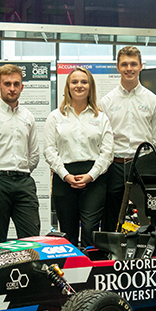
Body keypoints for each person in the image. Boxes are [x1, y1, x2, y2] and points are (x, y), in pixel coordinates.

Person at [44, 67, 113, 248]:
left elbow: (107, 152)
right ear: (68, 86)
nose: (79, 86)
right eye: (74, 82)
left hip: (94, 178)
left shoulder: (101, 118)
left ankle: (92, 271)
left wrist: (91, 175)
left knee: (90, 228)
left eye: (84, 82)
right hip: (64, 177)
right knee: (68, 232)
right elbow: (49, 150)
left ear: (90, 87)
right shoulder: (55, 117)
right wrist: (65, 175)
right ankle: (71, 273)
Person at [97, 46, 156, 232]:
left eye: (133, 64)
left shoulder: (153, 101)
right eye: (124, 64)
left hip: (143, 165)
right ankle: (110, 254)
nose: (129, 68)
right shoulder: (106, 102)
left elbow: (155, 140)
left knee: (146, 215)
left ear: (141, 66)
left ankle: (148, 255)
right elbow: (103, 140)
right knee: (111, 216)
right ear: (117, 67)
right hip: (115, 166)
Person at [0, 64, 41, 244]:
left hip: (24, 181)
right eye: (7, 84)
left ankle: (30, 273)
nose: (12, 88)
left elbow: (34, 153)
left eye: (16, 84)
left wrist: (22, 171)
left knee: (31, 236)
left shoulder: (28, 116)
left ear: (22, 86)